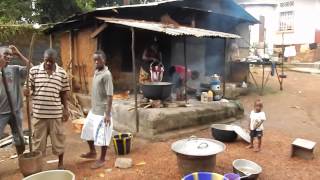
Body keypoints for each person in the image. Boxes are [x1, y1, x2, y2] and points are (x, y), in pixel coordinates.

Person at [26, 48, 70, 169]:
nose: (48, 63)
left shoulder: (62, 73)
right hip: (39, 115)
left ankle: (60, 163)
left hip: (55, 114)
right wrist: (27, 91)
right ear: (43, 59)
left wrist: (66, 109)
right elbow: (29, 88)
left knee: (59, 140)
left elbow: (64, 92)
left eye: (51, 61)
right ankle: (37, 165)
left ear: (55, 60)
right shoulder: (34, 71)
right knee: (38, 143)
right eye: (46, 61)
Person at [80, 50, 114, 169]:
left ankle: (102, 159)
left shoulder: (107, 75)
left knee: (102, 135)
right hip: (94, 110)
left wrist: (108, 114)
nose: (96, 62)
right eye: (94, 60)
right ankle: (92, 152)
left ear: (104, 60)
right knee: (87, 131)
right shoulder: (96, 72)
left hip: (102, 112)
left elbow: (110, 96)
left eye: (98, 60)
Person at [0, 45, 32, 155]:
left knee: (19, 136)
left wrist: (19, 54)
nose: (9, 56)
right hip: (1, 113)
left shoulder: (15, 69)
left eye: (10, 54)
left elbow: (31, 68)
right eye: (6, 54)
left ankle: (21, 158)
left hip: (16, 110)